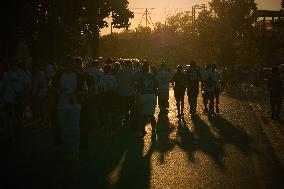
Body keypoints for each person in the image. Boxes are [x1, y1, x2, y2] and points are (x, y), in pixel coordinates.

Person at [53, 55, 84, 161]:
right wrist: (58, 91)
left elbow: (85, 91)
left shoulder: (79, 77)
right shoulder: (58, 76)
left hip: (75, 105)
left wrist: (76, 96)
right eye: (65, 63)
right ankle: (66, 150)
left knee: (74, 128)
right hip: (62, 106)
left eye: (70, 63)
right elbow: (51, 88)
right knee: (64, 129)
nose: (67, 65)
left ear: (73, 64)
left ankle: (75, 152)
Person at [134, 61, 157, 139]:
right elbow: (156, 86)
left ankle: (141, 131)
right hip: (152, 96)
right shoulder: (152, 76)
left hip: (143, 95)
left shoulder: (140, 77)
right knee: (151, 115)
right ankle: (153, 132)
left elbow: (138, 87)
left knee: (141, 115)